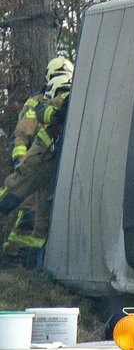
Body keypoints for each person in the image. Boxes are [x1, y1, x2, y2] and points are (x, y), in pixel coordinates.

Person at [2, 57, 73, 268]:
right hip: (36, 160)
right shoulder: (37, 102)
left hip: (48, 161)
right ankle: (13, 256)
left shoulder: (72, 98)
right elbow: (22, 135)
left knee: (40, 219)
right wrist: (21, 161)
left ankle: (29, 262)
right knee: (17, 202)